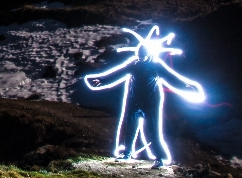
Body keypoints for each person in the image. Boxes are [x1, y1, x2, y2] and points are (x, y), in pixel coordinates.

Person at [84, 26, 205, 168]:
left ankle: (159, 157)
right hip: (134, 101)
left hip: (150, 102)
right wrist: (101, 80)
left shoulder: (155, 66)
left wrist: (186, 86)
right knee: (131, 128)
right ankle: (127, 152)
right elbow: (118, 73)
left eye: (142, 54)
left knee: (153, 130)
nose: (140, 57)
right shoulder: (134, 65)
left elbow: (171, 78)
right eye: (139, 54)